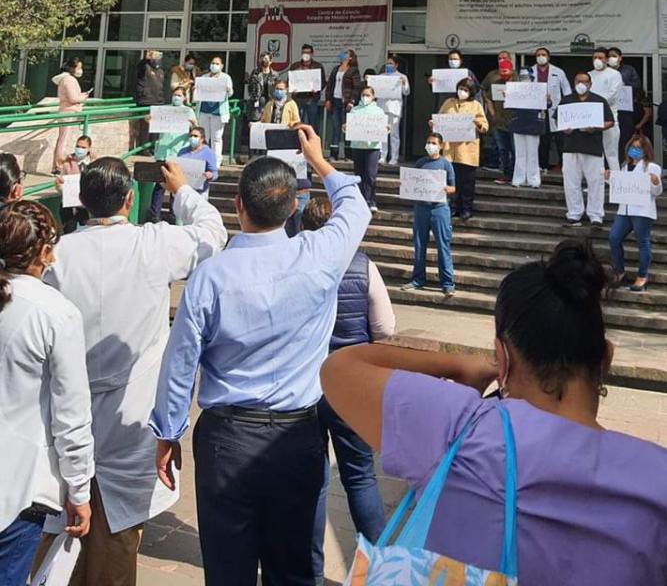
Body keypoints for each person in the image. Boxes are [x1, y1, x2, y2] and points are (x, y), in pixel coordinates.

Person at [321, 241, 667, 586]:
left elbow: (340, 369)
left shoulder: (460, 427)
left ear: (503, 358)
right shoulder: (655, 479)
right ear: (605, 359)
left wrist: (461, 366)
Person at [150, 126, 371, 586]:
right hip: (297, 437)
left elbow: (180, 362)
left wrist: (168, 431)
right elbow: (356, 206)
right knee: (292, 566)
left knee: (228, 568)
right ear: (293, 208)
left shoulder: (211, 277)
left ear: (238, 206)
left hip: (227, 439)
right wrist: (319, 159)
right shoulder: (320, 255)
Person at [38, 157, 226, 586]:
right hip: (133, 414)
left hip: (67, 411)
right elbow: (214, 234)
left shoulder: (57, 254)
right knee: (119, 536)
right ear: (130, 199)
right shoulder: (154, 244)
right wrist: (181, 189)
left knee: (59, 533)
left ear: (82, 201)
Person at [301, 195, 395, 586]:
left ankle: (310, 572)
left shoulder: (298, 264)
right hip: (352, 385)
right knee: (360, 478)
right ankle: (382, 571)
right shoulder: (364, 266)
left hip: (306, 384)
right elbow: (386, 328)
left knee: (314, 482)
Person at [0, 200, 93, 586]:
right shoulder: (54, 313)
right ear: (43, 251)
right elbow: (71, 416)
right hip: (18, 485)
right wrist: (80, 489)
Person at [555, 71, 614, 226]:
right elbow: (558, 119)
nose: (582, 84)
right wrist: (564, 129)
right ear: (574, 83)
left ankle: (596, 215)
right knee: (571, 182)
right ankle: (574, 213)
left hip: (592, 147)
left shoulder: (599, 101)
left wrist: (597, 127)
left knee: (596, 182)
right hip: (570, 147)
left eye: (585, 81)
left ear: (590, 84)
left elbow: (610, 121)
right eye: (578, 81)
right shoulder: (566, 100)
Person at [402, 135, 456, 297]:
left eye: (433, 143)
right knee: (419, 244)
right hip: (421, 208)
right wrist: (406, 186)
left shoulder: (446, 164)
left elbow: (454, 188)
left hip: (440, 209)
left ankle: (447, 283)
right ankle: (418, 279)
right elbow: (412, 183)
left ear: (440, 146)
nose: (430, 145)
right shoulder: (420, 163)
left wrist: (447, 189)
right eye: (428, 143)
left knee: (443, 245)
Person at [608, 134, 663, 292]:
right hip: (624, 209)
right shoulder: (625, 165)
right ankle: (619, 272)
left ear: (646, 150)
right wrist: (608, 178)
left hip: (642, 210)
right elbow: (618, 186)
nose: (635, 150)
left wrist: (655, 182)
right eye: (633, 147)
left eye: (639, 148)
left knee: (642, 242)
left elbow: (657, 192)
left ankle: (642, 276)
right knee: (614, 237)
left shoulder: (653, 167)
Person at [433, 77, 488, 219]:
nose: (462, 92)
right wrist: (433, 123)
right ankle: (452, 207)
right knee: (451, 180)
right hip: (449, 150)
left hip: (467, 150)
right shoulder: (448, 103)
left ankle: (466, 208)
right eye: (460, 88)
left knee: (467, 182)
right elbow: (439, 119)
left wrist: (478, 123)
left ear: (471, 92)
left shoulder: (476, 105)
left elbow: (485, 126)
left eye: (465, 90)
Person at [260, 78, 306, 234]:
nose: (279, 91)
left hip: (286, 140)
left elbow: (296, 121)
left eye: (282, 89)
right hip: (273, 140)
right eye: (277, 88)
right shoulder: (269, 104)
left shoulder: (291, 104)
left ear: (286, 90)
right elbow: (264, 120)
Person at [150, 86, 197, 221]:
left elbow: (195, 131)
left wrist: (192, 123)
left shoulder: (188, 111)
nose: (176, 97)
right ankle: (154, 215)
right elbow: (152, 121)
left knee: (175, 187)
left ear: (184, 98)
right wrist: (150, 119)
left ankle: (173, 215)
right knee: (159, 186)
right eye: (174, 95)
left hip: (178, 153)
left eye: (179, 95)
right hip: (162, 152)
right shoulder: (164, 110)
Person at [345, 83, 387, 212]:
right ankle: (360, 200)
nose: (365, 97)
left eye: (368, 95)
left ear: (373, 97)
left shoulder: (379, 111)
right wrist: (346, 127)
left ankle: (370, 200)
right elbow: (350, 126)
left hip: (372, 147)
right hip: (358, 146)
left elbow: (383, 128)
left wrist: (386, 129)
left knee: (370, 174)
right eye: (363, 95)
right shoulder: (355, 110)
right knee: (359, 174)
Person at [529, 47, 571, 171]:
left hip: (556, 110)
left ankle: (564, 167)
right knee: (542, 141)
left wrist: (564, 108)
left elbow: (567, 91)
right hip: (537, 111)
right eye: (538, 55)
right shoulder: (530, 72)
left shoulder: (558, 72)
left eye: (543, 54)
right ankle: (543, 166)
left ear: (548, 57)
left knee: (560, 140)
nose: (541, 57)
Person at [481, 53, 517, 183]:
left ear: (511, 70)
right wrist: (493, 114)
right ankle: (506, 174)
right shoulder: (496, 82)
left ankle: (515, 175)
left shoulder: (518, 81)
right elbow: (488, 99)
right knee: (503, 149)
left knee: (515, 150)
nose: (503, 74)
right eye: (501, 71)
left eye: (505, 71)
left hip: (514, 121)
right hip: (499, 122)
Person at [607, 47, 650, 159]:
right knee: (609, 138)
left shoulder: (628, 70)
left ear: (620, 58)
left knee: (625, 138)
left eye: (614, 55)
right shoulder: (604, 71)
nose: (611, 58)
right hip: (609, 110)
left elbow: (637, 85)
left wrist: (624, 83)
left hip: (624, 109)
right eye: (609, 56)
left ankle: (626, 162)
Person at [508, 69, 546, 189]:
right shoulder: (515, 89)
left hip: (533, 124)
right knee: (520, 153)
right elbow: (509, 106)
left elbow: (547, 105)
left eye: (527, 76)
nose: (524, 78)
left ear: (532, 77)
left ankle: (534, 180)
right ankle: (518, 179)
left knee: (532, 153)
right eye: (522, 76)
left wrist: (547, 99)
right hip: (518, 123)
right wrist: (508, 97)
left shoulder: (538, 89)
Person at [51, 56, 89, 172]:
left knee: (62, 139)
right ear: (72, 68)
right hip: (68, 112)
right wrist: (83, 97)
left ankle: (58, 165)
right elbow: (73, 98)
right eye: (79, 67)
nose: (80, 70)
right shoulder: (69, 80)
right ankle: (59, 166)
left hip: (65, 111)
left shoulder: (65, 79)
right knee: (64, 140)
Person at [590, 46, 623, 171]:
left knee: (611, 153)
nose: (597, 60)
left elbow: (612, 95)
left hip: (609, 119)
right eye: (595, 58)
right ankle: (597, 183)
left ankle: (615, 183)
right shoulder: (589, 75)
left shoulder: (615, 74)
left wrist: (593, 103)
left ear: (606, 59)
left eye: (600, 57)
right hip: (592, 118)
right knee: (595, 154)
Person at [325, 48, 362, 159]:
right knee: (336, 127)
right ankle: (334, 154)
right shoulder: (336, 69)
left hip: (346, 103)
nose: (342, 55)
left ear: (350, 57)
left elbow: (357, 87)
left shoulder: (354, 70)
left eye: (345, 53)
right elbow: (330, 85)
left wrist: (352, 101)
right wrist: (328, 99)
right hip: (335, 101)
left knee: (346, 128)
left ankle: (348, 155)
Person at [197, 55, 233, 166]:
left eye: (217, 64)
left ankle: (216, 162)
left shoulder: (225, 78)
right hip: (204, 110)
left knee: (216, 137)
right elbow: (198, 92)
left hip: (218, 111)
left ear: (221, 66)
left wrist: (228, 89)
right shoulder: (204, 77)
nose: (214, 65)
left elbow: (230, 93)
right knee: (204, 136)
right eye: (213, 63)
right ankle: (203, 159)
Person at [56, 133, 93, 234]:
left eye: (83, 147)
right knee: (69, 232)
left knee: (87, 233)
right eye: (77, 146)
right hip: (68, 205)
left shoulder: (93, 164)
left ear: (89, 148)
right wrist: (59, 186)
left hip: (86, 206)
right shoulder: (67, 162)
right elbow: (61, 185)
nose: (79, 149)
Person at [378, 53, 410, 166]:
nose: (388, 65)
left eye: (391, 63)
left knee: (394, 134)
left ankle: (394, 157)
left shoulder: (401, 76)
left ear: (396, 65)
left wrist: (404, 83)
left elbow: (406, 92)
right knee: (382, 133)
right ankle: (382, 156)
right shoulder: (381, 76)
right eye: (387, 63)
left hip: (394, 109)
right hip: (381, 107)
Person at [289, 43, 326, 129]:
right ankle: (297, 141)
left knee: (312, 124)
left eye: (308, 52)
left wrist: (317, 89)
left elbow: (323, 82)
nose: (305, 54)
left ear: (312, 54)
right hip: (298, 99)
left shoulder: (318, 66)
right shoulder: (295, 66)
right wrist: (292, 89)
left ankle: (312, 141)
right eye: (303, 52)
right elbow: (290, 81)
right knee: (297, 123)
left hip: (312, 99)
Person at [134, 49, 165, 149]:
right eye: (154, 55)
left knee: (156, 128)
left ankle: (153, 147)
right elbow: (140, 67)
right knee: (146, 127)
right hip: (146, 101)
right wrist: (146, 59)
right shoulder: (145, 67)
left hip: (158, 102)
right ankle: (144, 148)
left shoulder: (160, 71)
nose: (156, 58)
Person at [177, 126, 218, 200]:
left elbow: (215, 173)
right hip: (184, 190)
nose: (192, 138)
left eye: (195, 136)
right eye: (191, 136)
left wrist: (210, 175)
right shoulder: (182, 152)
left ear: (202, 139)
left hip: (200, 192)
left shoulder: (209, 153)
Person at [247, 52, 276, 122]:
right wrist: (254, 98)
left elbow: (277, 88)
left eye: (266, 58)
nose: (263, 60)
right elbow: (250, 88)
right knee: (255, 122)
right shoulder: (255, 73)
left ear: (270, 61)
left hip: (270, 103)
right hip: (257, 102)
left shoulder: (275, 75)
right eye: (261, 58)